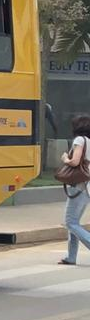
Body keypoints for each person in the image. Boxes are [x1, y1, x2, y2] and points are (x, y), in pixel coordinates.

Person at [59, 113, 90, 265]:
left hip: (78, 185)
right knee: (74, 222)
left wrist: (65, 158)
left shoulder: (79, 140)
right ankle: (71, 256)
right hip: (87, 185)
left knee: (70, 222)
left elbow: (75, 161)